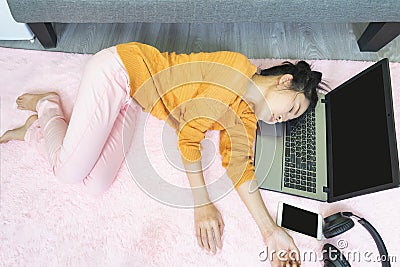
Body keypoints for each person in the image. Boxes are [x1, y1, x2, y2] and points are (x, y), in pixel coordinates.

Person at [1, 42, 324, 266]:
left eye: (291, 119)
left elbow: (240, 165)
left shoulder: (246, 114)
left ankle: (34, 130)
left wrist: (270, 232)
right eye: (292, 108)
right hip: (120, 70)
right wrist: (203, 204)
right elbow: (189, 137)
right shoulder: (233, 72)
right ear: (285, 81)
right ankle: (47, 106)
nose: (284, 119)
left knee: (95, 184)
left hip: (136, 100)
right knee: (67, 173)